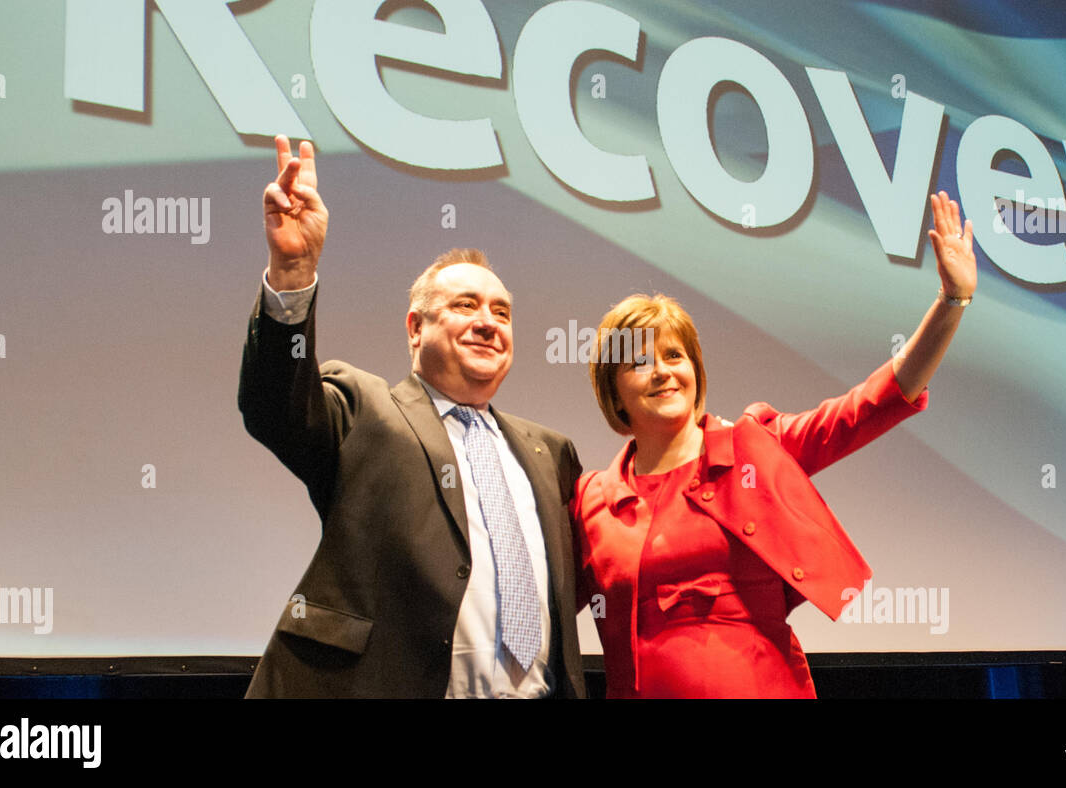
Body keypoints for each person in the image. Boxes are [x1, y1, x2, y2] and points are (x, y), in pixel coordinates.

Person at [572, 191, 977, 698]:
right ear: (614, 392)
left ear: (695, 372)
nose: (662, 372)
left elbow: (870, 406)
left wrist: (950, 303)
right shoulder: (592, 502)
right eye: (639, 362)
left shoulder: (754, 448)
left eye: (674, 355)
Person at [240, 135, 586, 697]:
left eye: (502, 311)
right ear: (415, 328)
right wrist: (293, 269)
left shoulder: (552, 452)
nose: (489, 322)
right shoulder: (364, 408)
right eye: (464, 305)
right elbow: (273, 407)